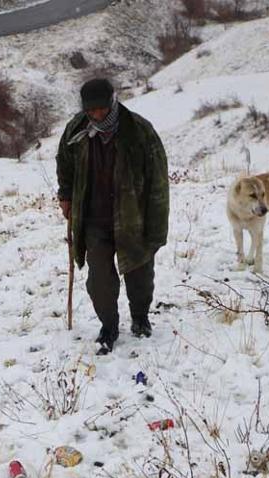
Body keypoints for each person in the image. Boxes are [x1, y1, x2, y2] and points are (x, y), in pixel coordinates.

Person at [56, 78, 169, 355]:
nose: (96, 115)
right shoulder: (77, 130)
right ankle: (109, 325)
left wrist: (156, 226)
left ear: (113, 102)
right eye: (90, 110)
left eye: (101, 109)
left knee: (139, 270)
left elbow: (158, 181)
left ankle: (140, 317)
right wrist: (66, 196)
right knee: (100, 279)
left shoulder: (139, 131)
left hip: (133, 216)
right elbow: (65, 164)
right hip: (94, 218)